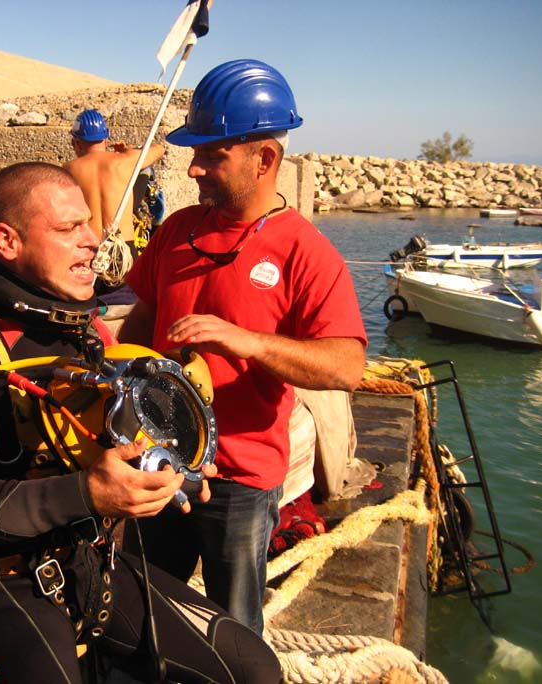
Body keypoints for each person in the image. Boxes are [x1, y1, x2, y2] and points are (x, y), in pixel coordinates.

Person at [0, 162, 282, 684]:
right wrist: (86, 495)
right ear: (7, 241)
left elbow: (122, 438)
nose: (93, 240)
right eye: (68, 228)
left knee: (255, 669)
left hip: (91, 564)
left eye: (88, 223)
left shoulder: (90, 333)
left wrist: (171, 470)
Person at [119, 59, 368, 636]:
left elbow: (347, 367)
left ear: (265, 159)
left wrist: (250, 342)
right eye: (196, 152)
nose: (194, 168)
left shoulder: (307, 253)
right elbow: (141, 322)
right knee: (143, 609)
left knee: (234, 630)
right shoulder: (176, 230)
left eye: (212, 154)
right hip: (161, 461)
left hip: (241, 479)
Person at [63, 109, 165, 251]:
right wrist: (130, 150)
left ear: (77, 143)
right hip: (124, 248)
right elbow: (159, 149)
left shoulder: (68, 170)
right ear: (106, 140)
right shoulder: (124, 161)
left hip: (90, 249)